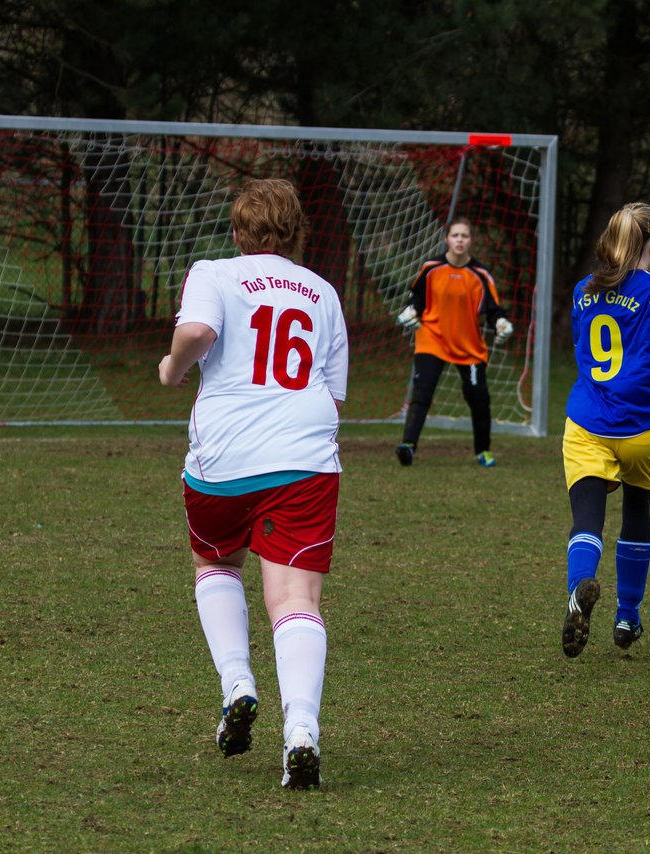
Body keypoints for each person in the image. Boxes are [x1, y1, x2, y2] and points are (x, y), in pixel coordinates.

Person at [158, 178, 349, 789]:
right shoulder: (322, 292)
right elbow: (335, 394)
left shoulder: (213, 272)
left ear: (238, 232)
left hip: (224, 456)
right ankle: (302, 732)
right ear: (296, 233)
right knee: (295, 600)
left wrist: (171, 367)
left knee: (214, 562)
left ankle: (237, 684)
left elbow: (197, 335)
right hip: (304, 459)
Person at [560, 202, 650, 657]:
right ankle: (627, 617)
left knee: (586, 519)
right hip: (644, 426)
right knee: (637, 510)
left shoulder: (584, 289)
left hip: (588, 421)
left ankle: (579, 590)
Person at [394, 216, 513, 468]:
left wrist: (501, 323)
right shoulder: (431, 268)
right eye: (455, 235)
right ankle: (408, 446)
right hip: (432, 339)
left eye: (465, 236)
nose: (460, 240)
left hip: (468, 346)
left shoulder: (480, 274)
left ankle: (483, 451)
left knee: (478, 398)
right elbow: (416, 299)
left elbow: (494, 311)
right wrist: (410, 312)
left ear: (470, 241)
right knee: (422, 392)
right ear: (447, 239)